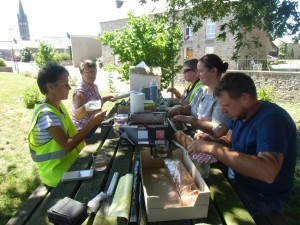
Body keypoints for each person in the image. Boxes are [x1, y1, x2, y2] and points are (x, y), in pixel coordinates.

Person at [187, 72, 297, 218]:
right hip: (237, 181)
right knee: (191, 197)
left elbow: (268, 172)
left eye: (226, 105)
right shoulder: (241, 114)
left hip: (262, 196)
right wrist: (211, 141)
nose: (223, 110)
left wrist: (213, 149)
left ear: (245, 98)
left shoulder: (272, 120)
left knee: (204, 214)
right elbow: (229, 142)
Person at [28, 62, 107, 188]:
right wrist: (91, 123)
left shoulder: (58, 106)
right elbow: (67, 146)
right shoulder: (46, 115)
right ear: (50, 87)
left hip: (72, 165)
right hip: (58, 177)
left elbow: (71, 132)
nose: (69, 88)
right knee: (101, 181)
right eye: (65, 84)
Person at [169, 54, 230, 137]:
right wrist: (180, 109)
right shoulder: (201, 90)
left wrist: (190, 120)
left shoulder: (222, 97)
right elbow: (192, 107)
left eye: (200, 71)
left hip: (209, 143)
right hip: (196, 136)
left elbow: (218, 128)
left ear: (213, 71)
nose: (197, 75)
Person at [72, 60, 114, 140]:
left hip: (95, 124)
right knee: (110, 136)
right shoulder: (80, 92)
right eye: (87, 72)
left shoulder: (94, 86)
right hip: (85, 130)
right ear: (81, 73)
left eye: (93, 72)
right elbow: (77, 115)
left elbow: (95, 103)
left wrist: (106, 98)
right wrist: (89, 106)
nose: (91, 75)